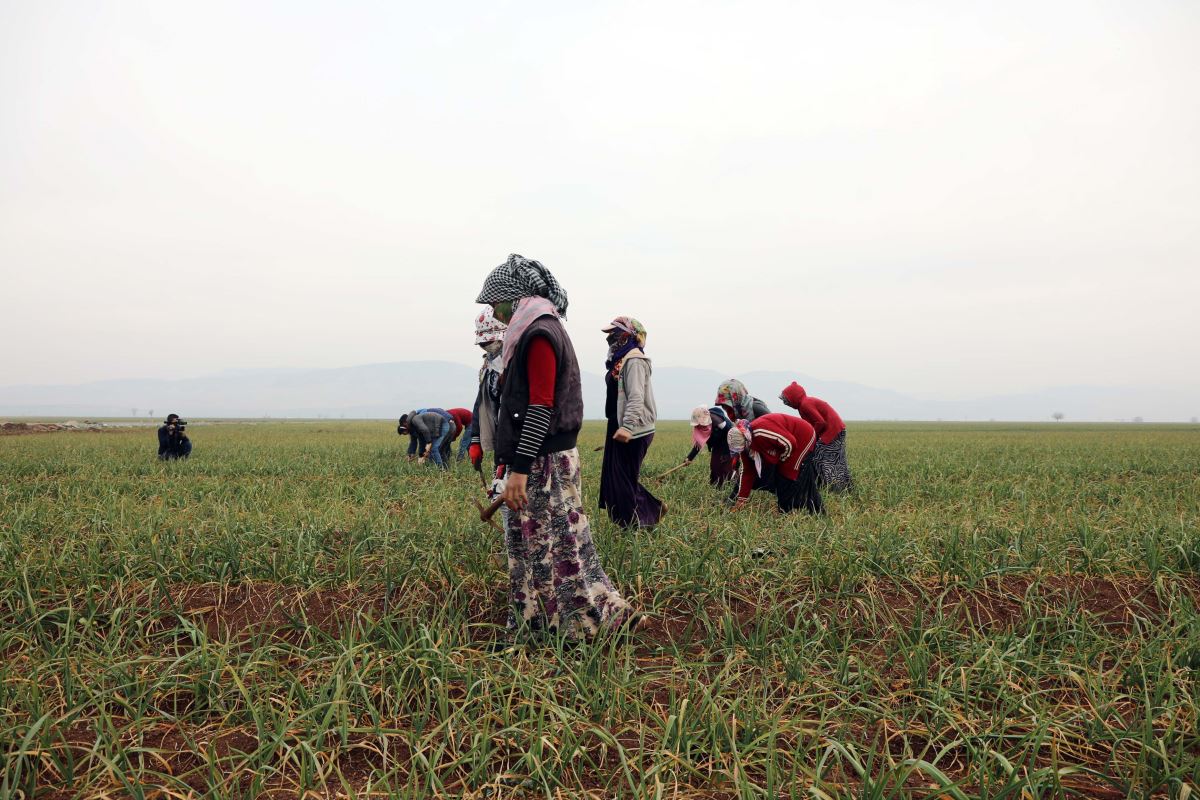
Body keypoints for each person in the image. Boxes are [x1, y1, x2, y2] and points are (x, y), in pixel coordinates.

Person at [476, 253, 636, 641]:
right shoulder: (536, 329)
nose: (493, 311)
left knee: (553, 543)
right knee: (551, 539)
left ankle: (576, 623)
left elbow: (541, 406)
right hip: (540, 457)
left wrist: (518, 470)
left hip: (543, 461)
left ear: (515, 297)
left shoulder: (539, 333)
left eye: (495, 302)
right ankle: (550, 620)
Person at [598, 316, 664, 529]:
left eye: (614, 334)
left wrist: (627, 426)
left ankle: (637, 523)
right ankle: (640, 516)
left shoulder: (634, 360)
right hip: (617, 424)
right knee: (614, 478)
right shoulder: (621, 359)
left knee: (623, 479)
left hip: (634, 427)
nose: (610, 339)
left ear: (627, 335)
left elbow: (636, 396)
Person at [728, 414, 824, 514]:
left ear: (746, 439)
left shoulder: (761, 433)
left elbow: (790, 443)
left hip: (803, 436)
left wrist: (781, 462)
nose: (742, 450)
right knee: (777, 475)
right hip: (787, 442)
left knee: (787, 475)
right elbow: (748, 471)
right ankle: (789, 507)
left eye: (742, 447)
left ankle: (789, 511)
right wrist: (741, 500)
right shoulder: (745, 445)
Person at [780, 382, 853, 491]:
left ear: (794, 397)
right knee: (835, 460)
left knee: (824, 459)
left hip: (831, 432)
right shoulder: (803, 404)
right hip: (836, 430)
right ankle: (844, 487)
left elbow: (820, 422)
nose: (787, 403)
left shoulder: (805, 404)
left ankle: (833, 488)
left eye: (787, 400)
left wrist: (812, 437)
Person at [467, 307, 507, 477]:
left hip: (519, 445)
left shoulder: (515, 362)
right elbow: (481, 404)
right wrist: (475, 439)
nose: (485, 346)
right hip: (501, 442)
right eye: (483, 343)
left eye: (489, 341)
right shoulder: (488, 367)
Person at [680, 405, 738, 486]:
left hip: (729, 441)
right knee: (714, 466)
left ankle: (735, 481)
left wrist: (726, 453)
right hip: (717, 443)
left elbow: (730, 433)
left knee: (725, 466)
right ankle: (715, 485)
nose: (699, 426)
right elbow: (698, 444)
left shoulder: (717, 421)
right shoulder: (700, 427)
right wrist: (689, 458)